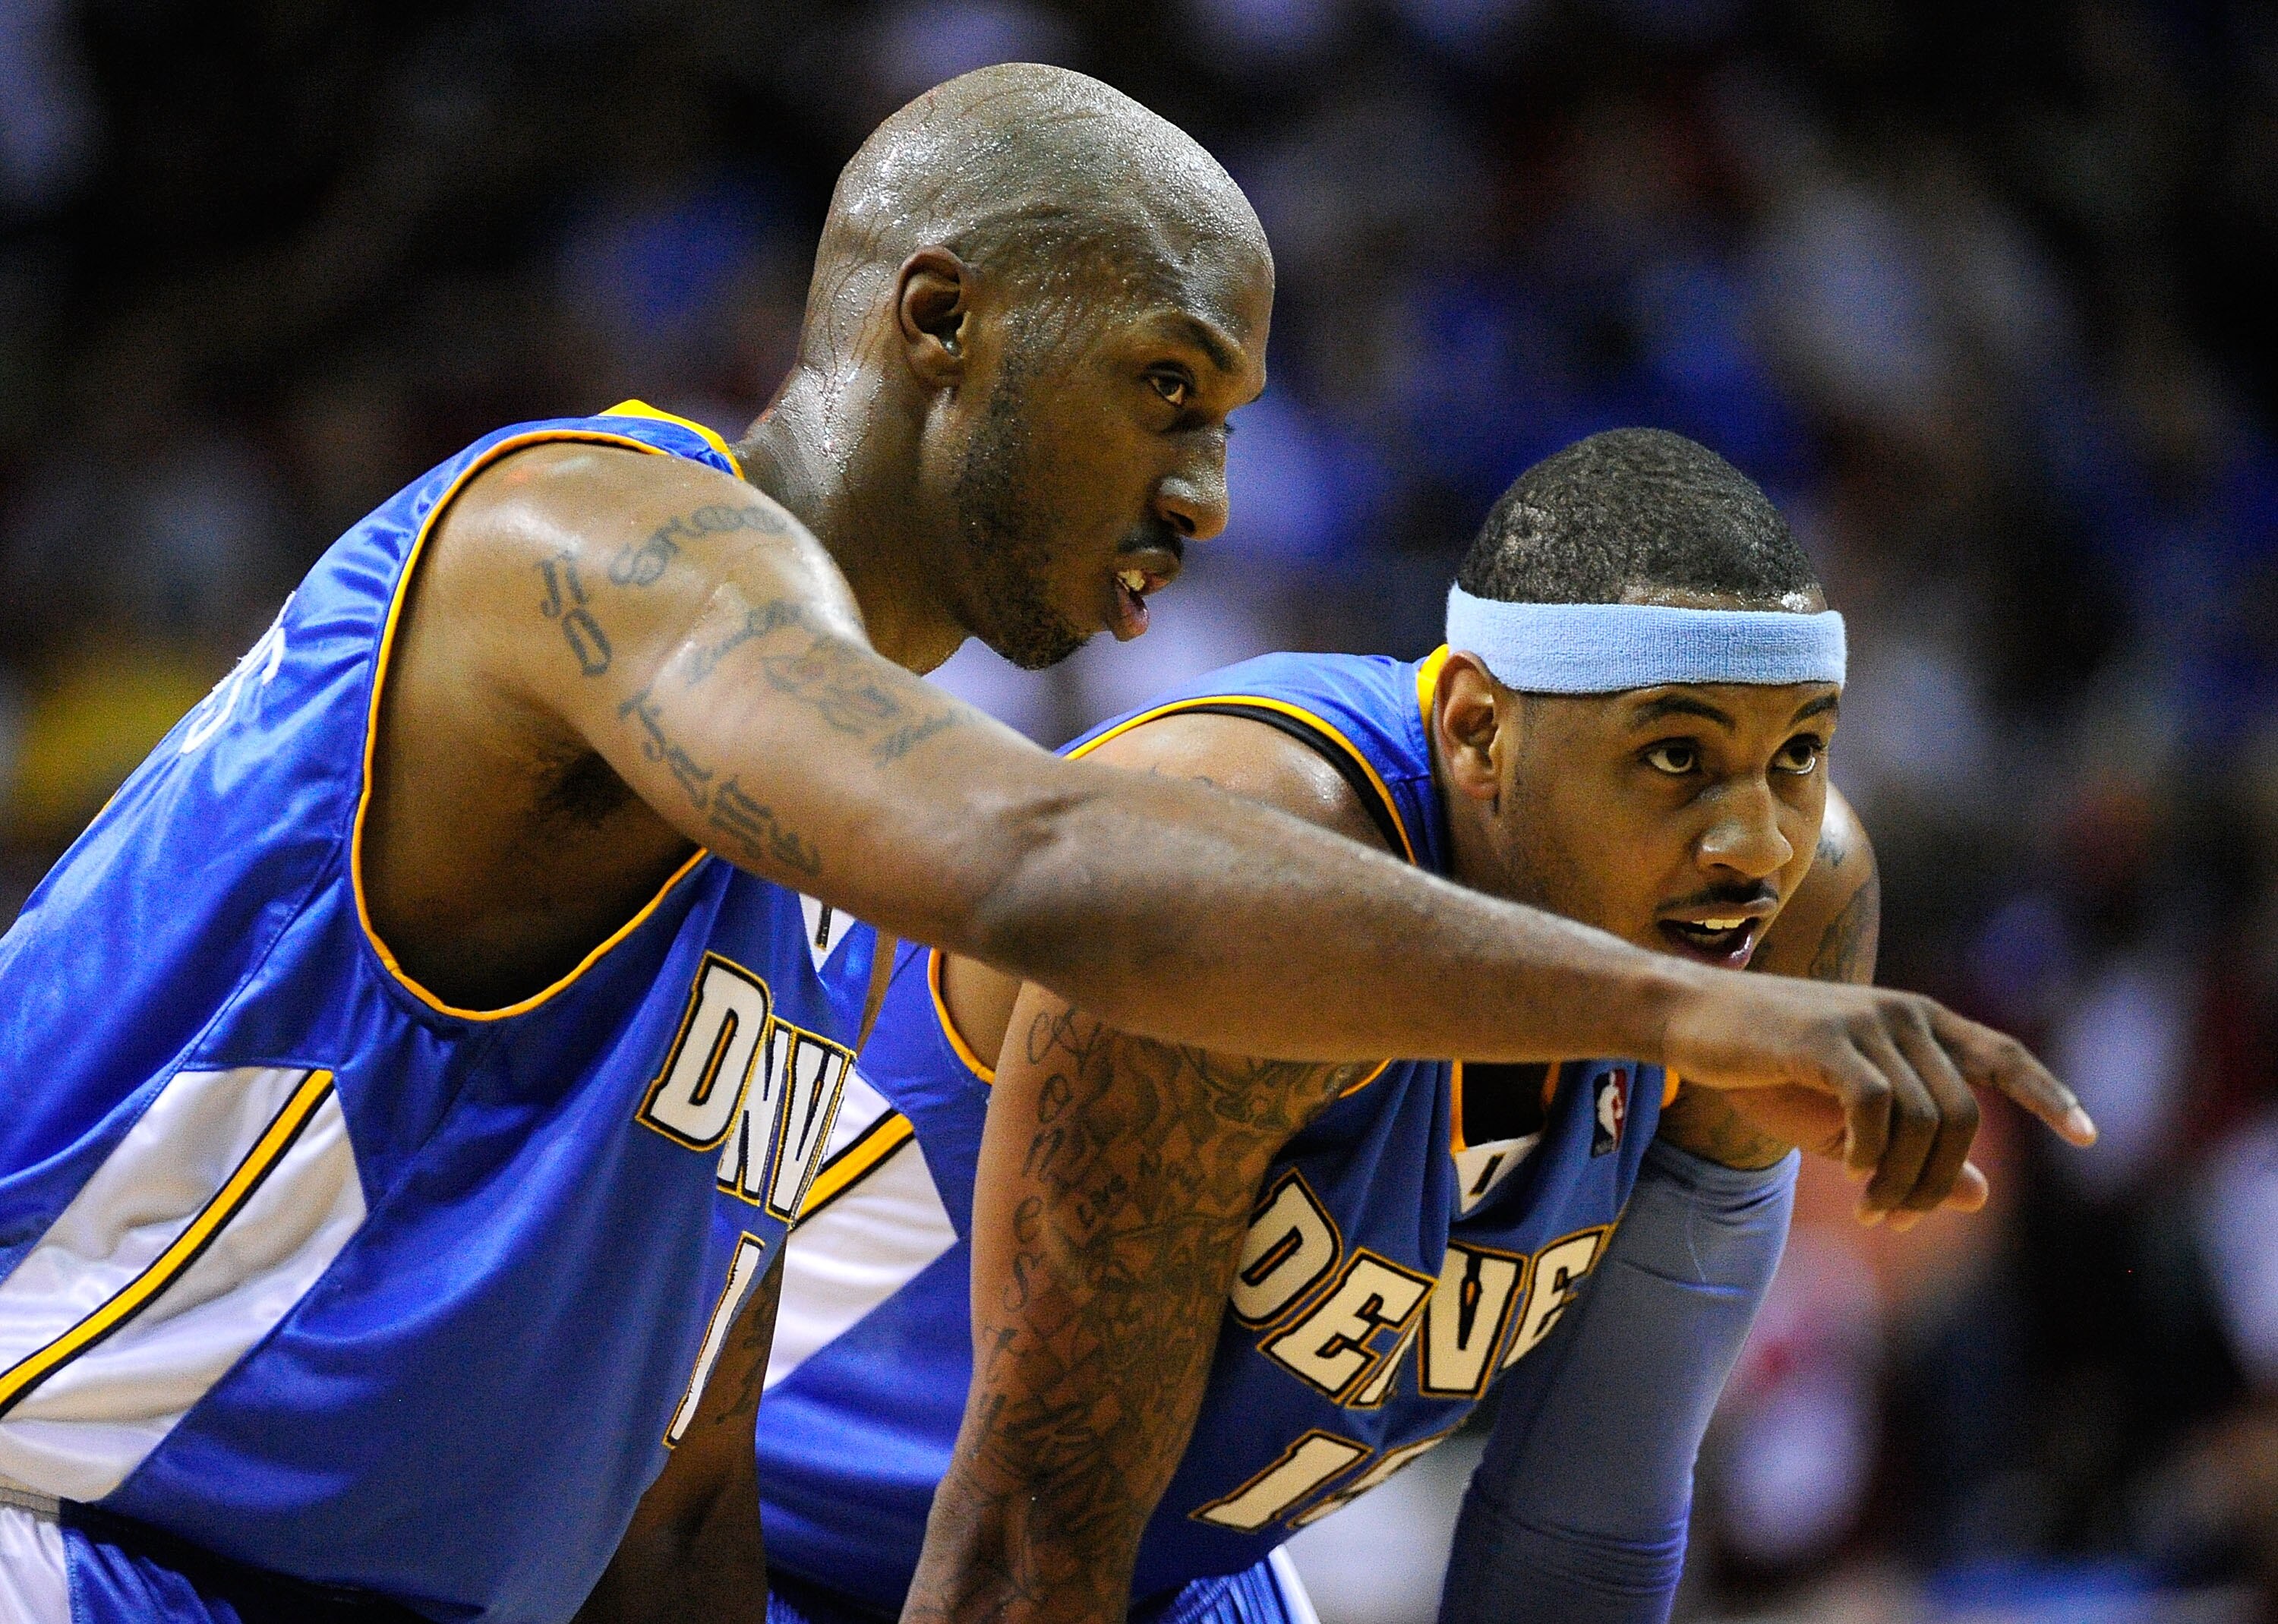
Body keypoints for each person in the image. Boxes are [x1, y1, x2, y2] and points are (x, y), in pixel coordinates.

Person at [0, 68, 2068, 1624]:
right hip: (65, 1527)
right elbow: (1048, 863)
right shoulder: (593, 544)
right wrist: (1689, 1007)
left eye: (1233, 419)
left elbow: (677, 1511)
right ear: (942, 322)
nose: (1209, 490)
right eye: (1166, 388)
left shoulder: (816, 875)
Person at [717, 430, 2096, 1624]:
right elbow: (1024, 1533)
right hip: (775, 1558)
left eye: (1798, 753)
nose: (1756, 843)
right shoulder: (1241, 853)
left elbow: (1588, 1516)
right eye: (1675, 756)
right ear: (1480, 731)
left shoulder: (1788, 909)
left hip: (1160, 1579)